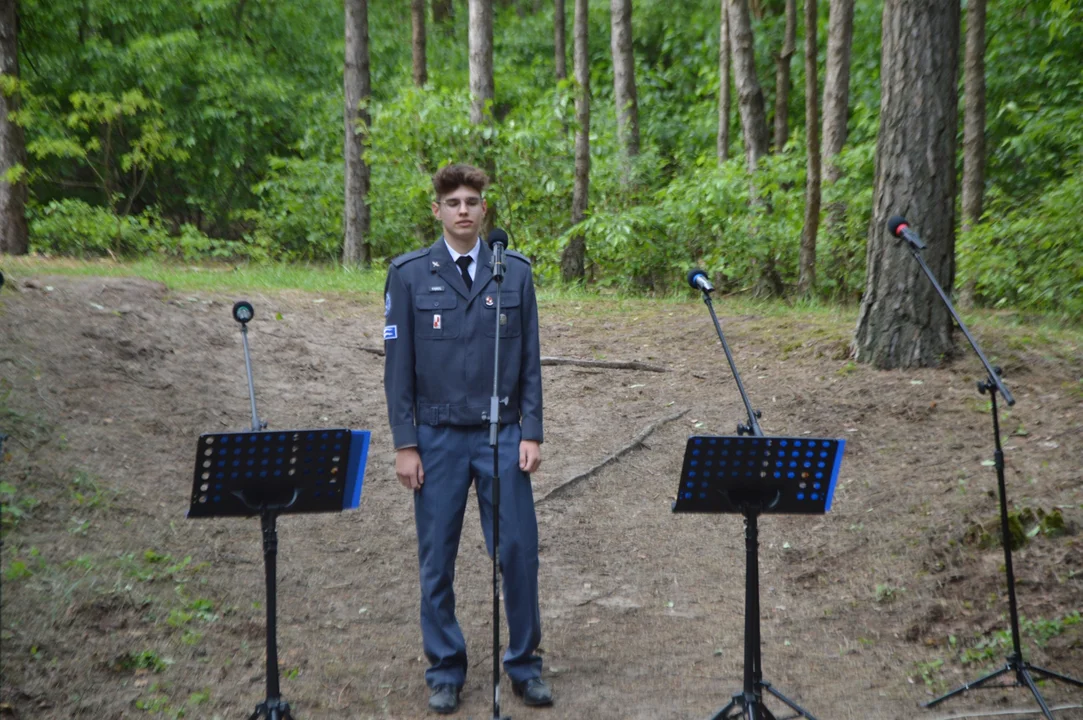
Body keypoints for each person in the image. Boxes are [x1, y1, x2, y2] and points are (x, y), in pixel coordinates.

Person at [383, 163, 553, 714]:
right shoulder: (409, 275)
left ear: (485, 210)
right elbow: (398, 368)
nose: (462, 209)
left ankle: (524, 666)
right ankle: (445, 668)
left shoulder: (514, 273)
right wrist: (405, 443)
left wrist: (532, 431)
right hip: (436, 438)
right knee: (438, 557)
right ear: (437, 210)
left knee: (518, 551)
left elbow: (529, 361)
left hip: (501, 437)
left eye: (472, 201)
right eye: (452, 201)